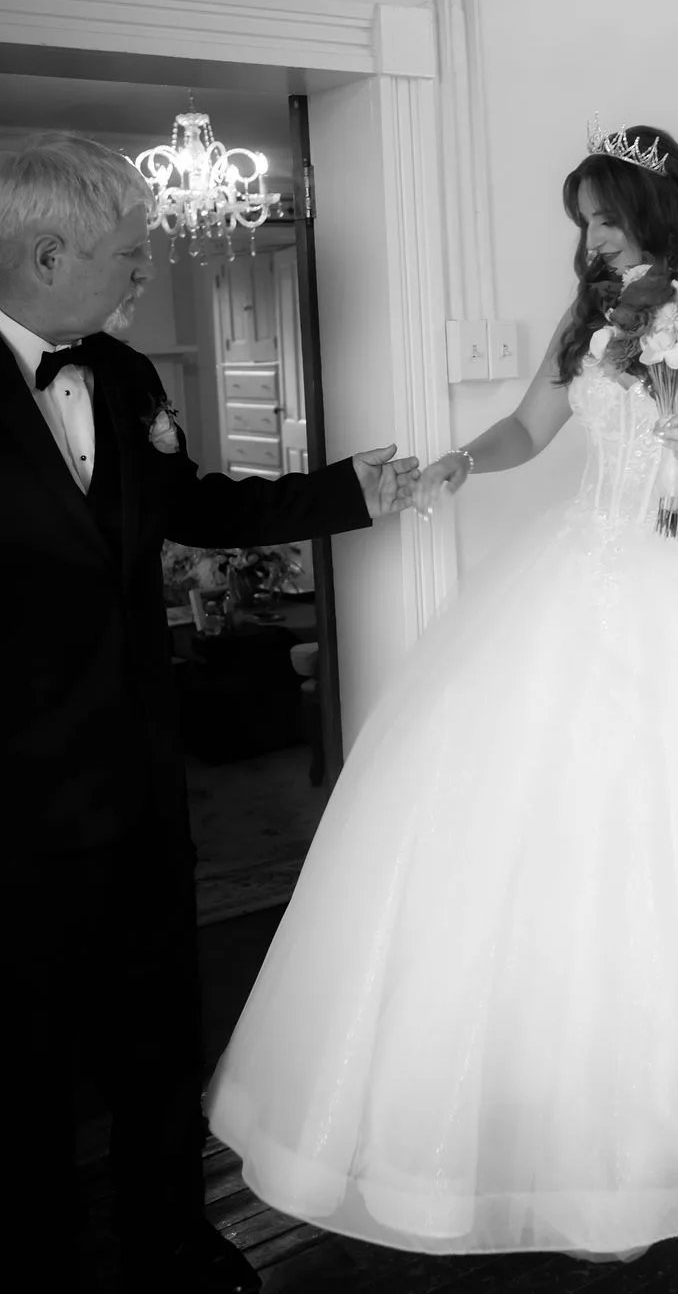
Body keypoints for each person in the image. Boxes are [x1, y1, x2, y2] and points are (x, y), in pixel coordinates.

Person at [207, 122, 678, 1259]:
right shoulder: (588, 320)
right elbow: (528, 426)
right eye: (583, 223)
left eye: (602, 218)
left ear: (655, 209)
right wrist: (460, 461)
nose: (590, 241)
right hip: (574, 565)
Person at [0, 133, 419, 1294]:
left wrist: (347, 491)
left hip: (140, 777)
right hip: (15, 809)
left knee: (156, 1035)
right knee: (23, 1057)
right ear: (45, 256)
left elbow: (190, 504)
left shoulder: (123, 377)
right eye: (129, 258)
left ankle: (173, 1239)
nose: (143, 278)